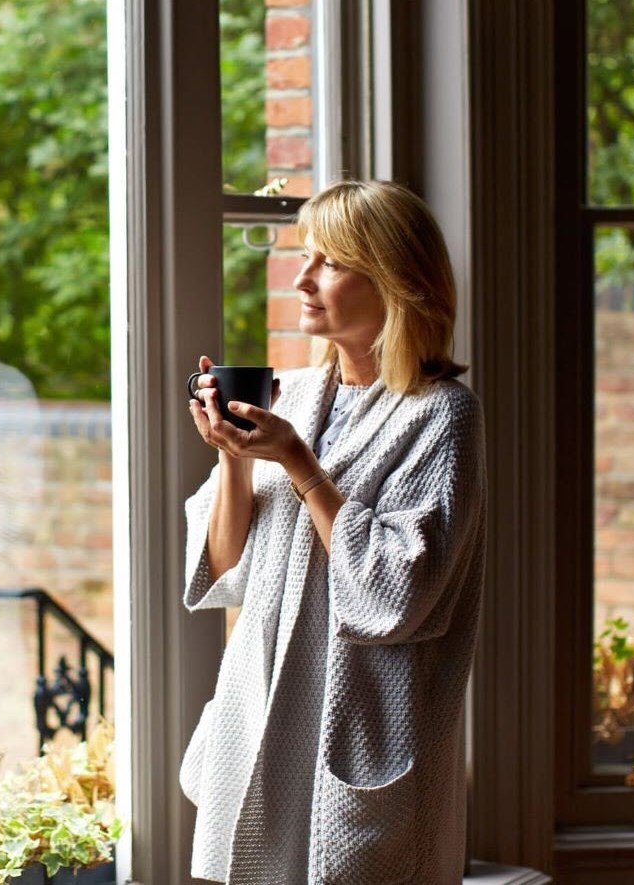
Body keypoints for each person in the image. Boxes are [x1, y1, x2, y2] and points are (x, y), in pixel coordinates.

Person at [180, 179, 487, 884]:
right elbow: (223, 570)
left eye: (330, 262)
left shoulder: (440, 416)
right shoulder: (293, 396)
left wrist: (298, 462)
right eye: (306, 256)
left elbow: (393, 594)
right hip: (259, 716)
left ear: (396, 282)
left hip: (356, 729)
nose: (302, 278)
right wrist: (232, 453)